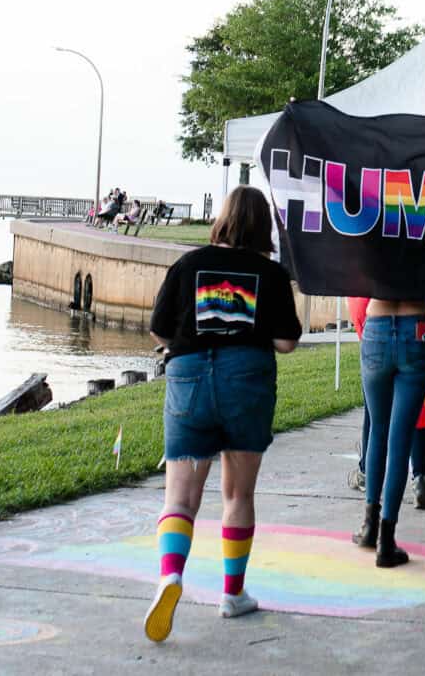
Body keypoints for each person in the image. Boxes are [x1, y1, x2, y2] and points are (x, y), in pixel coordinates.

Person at [143, 185, 302, 642]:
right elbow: (287, 342)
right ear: (262, 226)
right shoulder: (270, 274)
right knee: (237, 495)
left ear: (224, 220)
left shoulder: (188, 264)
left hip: (190, 377)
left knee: (179, 498)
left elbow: (158, 331)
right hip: (246, 380)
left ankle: (171, 575)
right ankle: (232, 595)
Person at [352, 298, 425, 567]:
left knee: (378, 429)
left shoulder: (372, 251)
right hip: (418, 326)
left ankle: (369, 527)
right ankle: (386, 542)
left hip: (376, 324)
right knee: (401, 438)